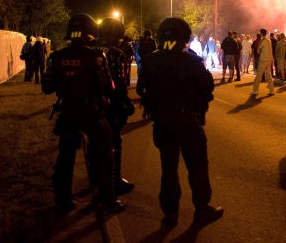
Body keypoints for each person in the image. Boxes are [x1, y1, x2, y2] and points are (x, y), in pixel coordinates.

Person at [137, 18, 223, 227]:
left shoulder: (149, 61)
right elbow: (207, 87)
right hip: (187, 121)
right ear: (184, 37)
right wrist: (199, 106)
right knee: (197, 167)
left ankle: (170, 214)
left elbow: (141, 90)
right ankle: (201, 209)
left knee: (168, 169)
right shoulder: (192, 61)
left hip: (162, 122)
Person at [42, 13, 125, 213]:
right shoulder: (96, 57)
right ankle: (106, 199)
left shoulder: (56, 57)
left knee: (65, 158)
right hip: (92, 113)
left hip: (69, 112)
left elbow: (47, 87)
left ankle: (62, 200)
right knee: (105, 155)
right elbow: (108, 87)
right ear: (91, 32)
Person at [98, 17, 136, 195]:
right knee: (115, 143)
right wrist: (127, 103)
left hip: (93, 105)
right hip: (111, 105)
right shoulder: (116, 54)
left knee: (95, 144)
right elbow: (120, 84)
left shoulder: (92, 50)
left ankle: (97, 180)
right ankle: (115, 182)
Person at [251, 29, 275, 96]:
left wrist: (259, 44)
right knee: (268, 75)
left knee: (259, 76)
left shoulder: (263, 41)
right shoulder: (269, 40)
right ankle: (272, 90)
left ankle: (255, 90)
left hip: (263, 60)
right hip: (269, 60)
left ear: (261, 33)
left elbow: (258, 51)